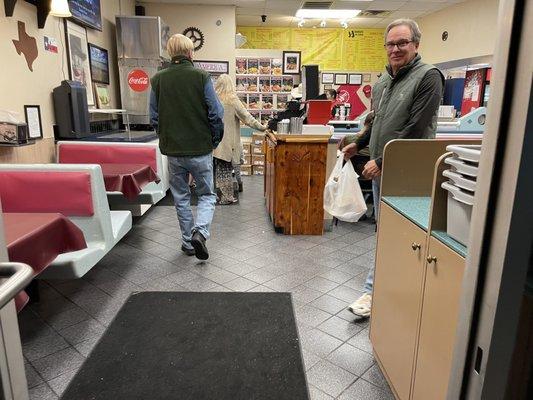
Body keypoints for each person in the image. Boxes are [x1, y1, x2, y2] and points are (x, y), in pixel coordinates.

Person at [344, 19, 444, 317]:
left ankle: (374, 293)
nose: (396, 49)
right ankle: (388, 291)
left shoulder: (429, 77)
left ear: (416, 45)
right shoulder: (383, 82)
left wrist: (382, 161)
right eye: (391, 44)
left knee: (402, 233)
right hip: (382, 169)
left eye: (403, 43)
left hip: (409, 172)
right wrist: (359, 143)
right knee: (388, 232)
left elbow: (416, 127)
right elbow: (375, 120)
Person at [150, 34, 223, 260]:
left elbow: (153, 116)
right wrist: (215, 139)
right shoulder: (201, 77)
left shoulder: (158, 79)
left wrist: (165, 135)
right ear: (191, 53)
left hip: (173, 151)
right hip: (200, 148)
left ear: (171, 53)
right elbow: (216, 112)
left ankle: (187, 243)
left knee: (180, 196)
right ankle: (200, 233)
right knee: (206, 195)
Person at [213, 74, 266, 204]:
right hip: (228, 142)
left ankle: (214, 196)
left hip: (214, 142)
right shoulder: (232, 100)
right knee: (228, 169)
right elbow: (247, 118)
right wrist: (262, 127)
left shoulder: (213, 100)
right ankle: (227, 197)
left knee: (216, 170)